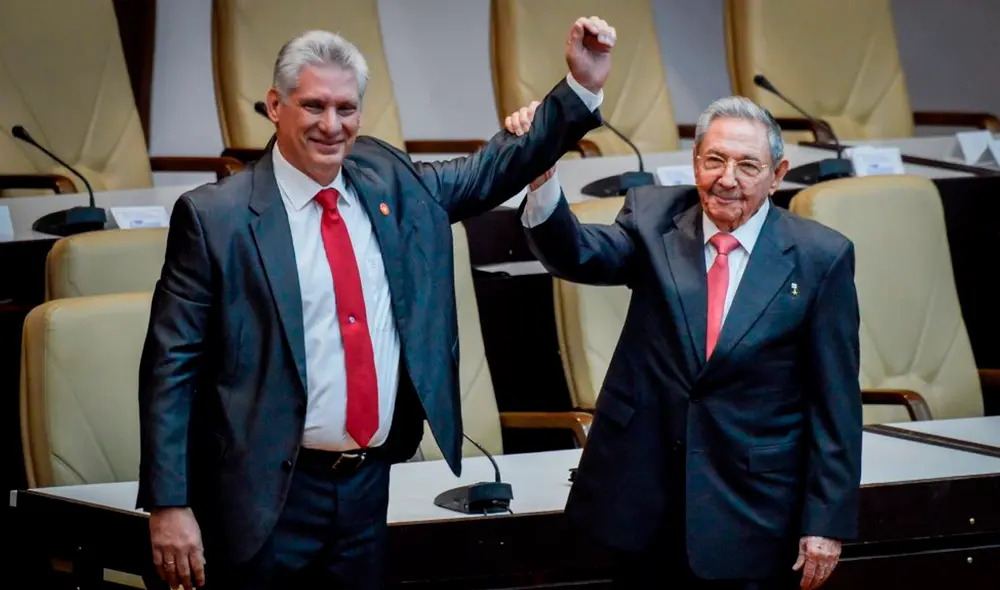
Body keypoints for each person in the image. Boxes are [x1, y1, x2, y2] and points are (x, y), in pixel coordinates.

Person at [138, 16, 616, 590]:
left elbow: (492, 171)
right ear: (274, 105)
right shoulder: (216, 217)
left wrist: (578, 87)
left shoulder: (388, 180)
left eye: (346, 109)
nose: (331, 125)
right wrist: (169, 503)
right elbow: (171, 365)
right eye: (313, 106)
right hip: (261, 494)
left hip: (366, 487)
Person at [504, 96, 863, 589]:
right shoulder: (653, 218)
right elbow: (577, 255)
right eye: (714, 160)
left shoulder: (821, 257)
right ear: (695, 161)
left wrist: (825, 523)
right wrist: (542, 174)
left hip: (753, 507)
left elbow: (835, 404)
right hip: (644, 501)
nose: (727, 178)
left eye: (747, 165)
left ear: (777, 174)